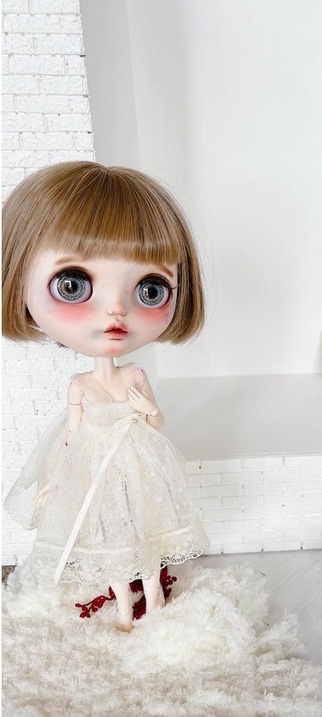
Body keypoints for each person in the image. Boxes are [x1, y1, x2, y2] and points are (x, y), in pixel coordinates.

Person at [3, 161, 210, 632]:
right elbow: (71, 438)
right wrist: (54, 480)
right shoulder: (80, 385)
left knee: (146, 535)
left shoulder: (134, 374)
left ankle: (152, 600)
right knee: (111, 538)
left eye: (150, 289)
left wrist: (147, 409)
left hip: (137, 461)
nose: (116, 309)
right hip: (96, 467)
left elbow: (156, 422)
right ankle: (123, 608)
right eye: (73, 285)